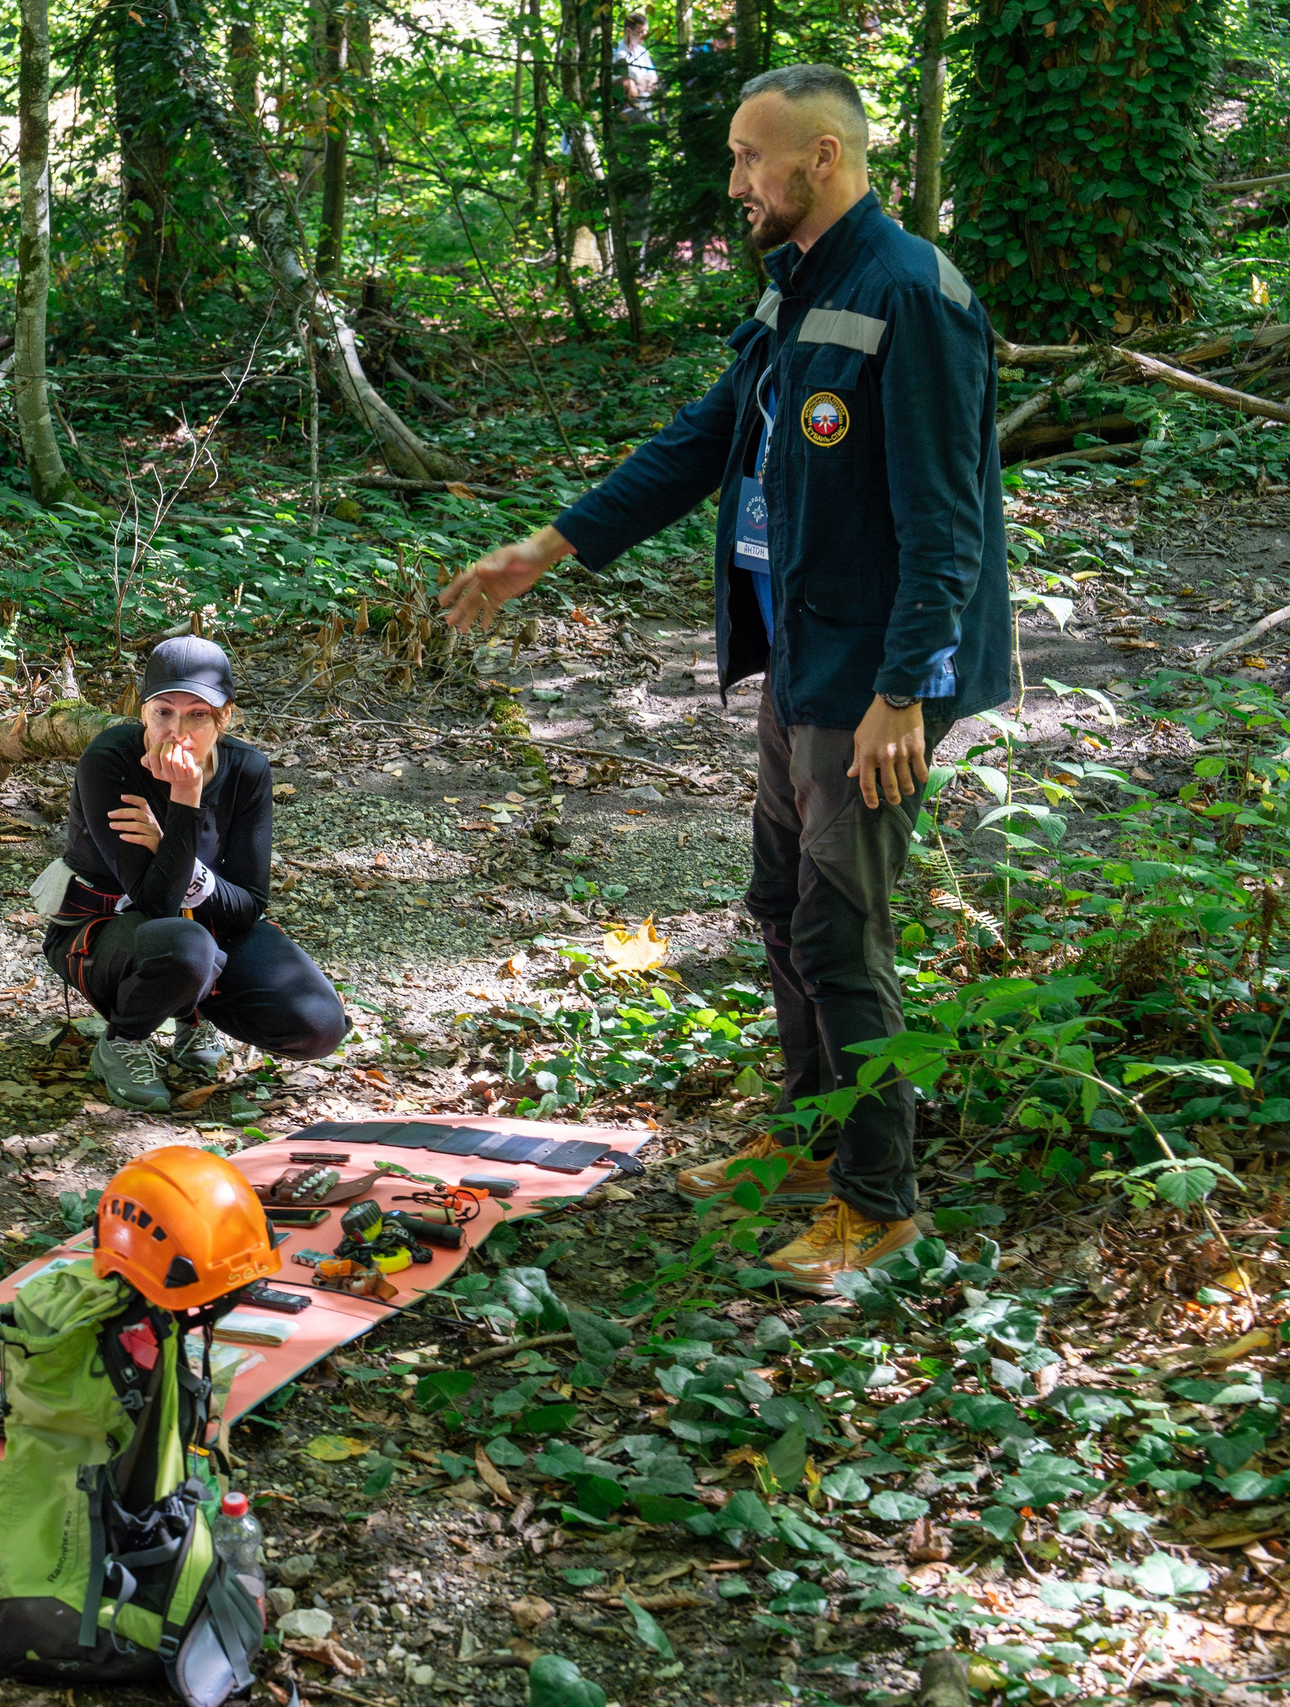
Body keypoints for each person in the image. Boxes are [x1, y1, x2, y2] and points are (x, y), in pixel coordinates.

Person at [440, 65, 1009, 1293]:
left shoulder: (911, 293)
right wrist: (549, 547)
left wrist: (903, 690)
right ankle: (808, 1144)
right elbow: (706, 438)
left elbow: (945, 521)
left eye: (754, 157)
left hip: (872, 680)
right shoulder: (796, 288)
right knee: (777, 903)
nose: (737, 179)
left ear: (823, 157)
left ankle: (880, 1203)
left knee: (842, 929)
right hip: (801, 657)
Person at [38, 637, 348, 1114]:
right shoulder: (111, 761)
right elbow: (154, 904)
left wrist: (172, 843)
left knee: (319, 1025)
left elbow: (248, 904)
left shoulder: (247, 770)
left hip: (208, 928)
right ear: (142, 712)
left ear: (224, 717)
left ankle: (192, 1012)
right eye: (163, 712)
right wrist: (185, 798)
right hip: (110, 934)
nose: (177, 731)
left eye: (197, 715)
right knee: (184, 946)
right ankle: (125, 1039)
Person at [613, 11, 659, 117]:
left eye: (646, 32)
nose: (644, 36)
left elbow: (653, 76)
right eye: (641, 32)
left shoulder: (643, 52)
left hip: (647, 102)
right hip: (626, 108)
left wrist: (640, 84)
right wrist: (646, 80)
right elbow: (634, 78)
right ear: (628, 31)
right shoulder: (618, 53)